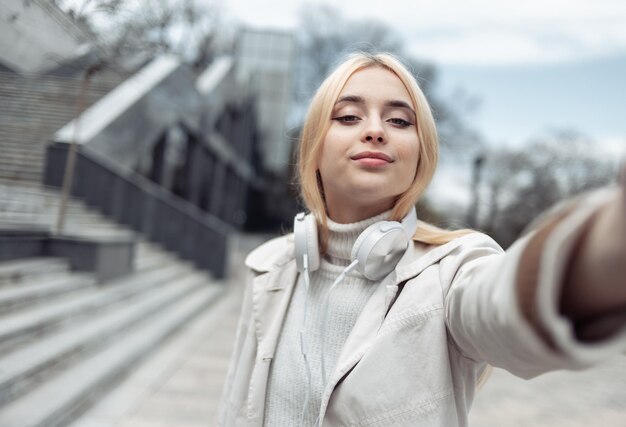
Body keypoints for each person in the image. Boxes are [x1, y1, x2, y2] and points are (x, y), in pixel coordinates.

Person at [217, 52, 626, 427]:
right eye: (347, 117)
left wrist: (608, 239)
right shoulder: (270, 267)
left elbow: (510, 307)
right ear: (314, 151)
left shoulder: (453, 272)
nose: (375, 131)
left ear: (420, 155)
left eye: (399, 121)